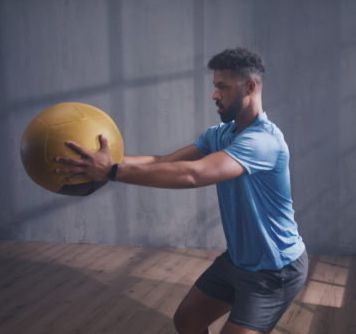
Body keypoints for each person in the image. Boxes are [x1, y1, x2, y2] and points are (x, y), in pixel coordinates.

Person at [55, 47, 308, 334]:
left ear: (249, 86)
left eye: (222, 87)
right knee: (187, 321)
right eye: (215, 87)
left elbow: (194, 174)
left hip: (274, 270)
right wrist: (104, 161)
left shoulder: (264, 142)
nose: (214, 95)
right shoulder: (221, 134)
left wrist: (113, 172)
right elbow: (163, 162)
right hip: (238, 261)